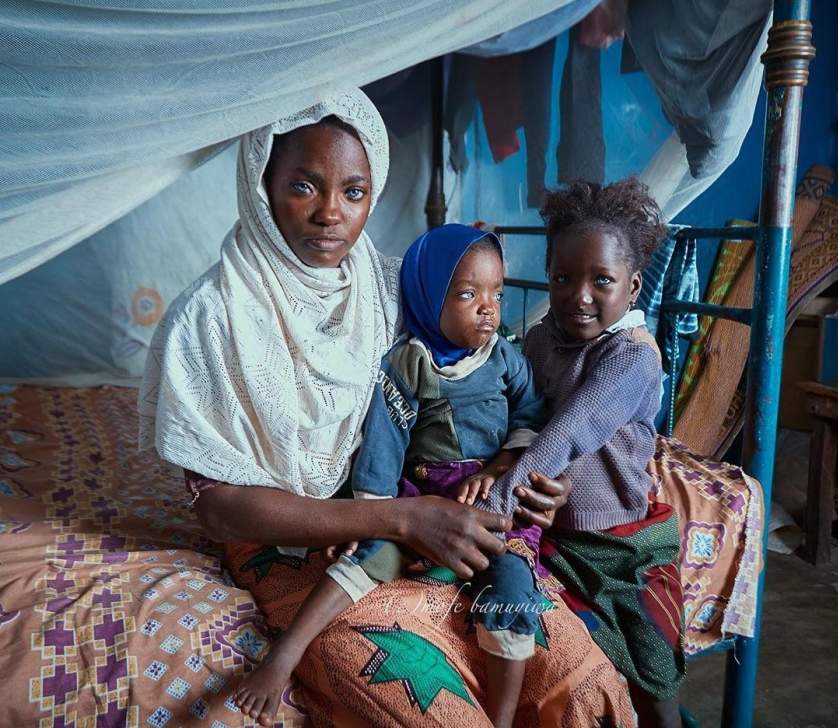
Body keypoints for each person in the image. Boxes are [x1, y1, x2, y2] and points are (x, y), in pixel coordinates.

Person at [139, 89, 635, 728]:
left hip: (436, 516)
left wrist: (530, 473)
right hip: (292, 542)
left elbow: (481, 386)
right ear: (262, 185)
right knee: (431, 709)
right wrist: (402, 519)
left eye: (353, 192)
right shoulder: (211, 318)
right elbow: (217, 508)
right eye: (302, 187)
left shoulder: (391, 288)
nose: (329, 215)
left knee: (585, 684)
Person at [233, 223, 552, 727]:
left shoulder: (505, 356)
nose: (488, 307)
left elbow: (532, 415)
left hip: (490, 500)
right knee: (369, 555)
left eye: (497, 293)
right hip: (422, 498)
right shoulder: (406, 363)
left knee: (513, 585)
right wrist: (369, 519)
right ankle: (285, 655)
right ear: (427, 297)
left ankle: (502, 718)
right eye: (468, 294)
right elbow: (383, 449)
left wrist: (500, 467)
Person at [493, 178, 685, 728]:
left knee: (650, 651)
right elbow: (525, 419)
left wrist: (496, 503)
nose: (580, 295)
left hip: (614, 533)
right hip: (549, 524)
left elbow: (572, 431)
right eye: (562, 277)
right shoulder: (540, 338)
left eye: (601, 280)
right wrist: (496, 463)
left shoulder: (632, 356)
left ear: (633, 286)